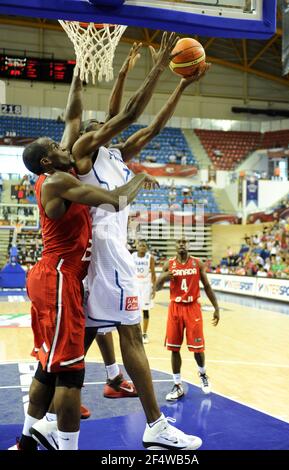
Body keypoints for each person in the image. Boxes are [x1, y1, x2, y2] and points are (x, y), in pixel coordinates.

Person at [28, 33, 207, 451]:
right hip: (107, 260)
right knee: (131, 337)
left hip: (94, 265)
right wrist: (161, 66)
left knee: (68, 357)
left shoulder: (114, 154)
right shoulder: (82, 152)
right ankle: (156, 426)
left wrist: (181, 82)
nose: (98, 125)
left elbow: (151, 123)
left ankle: (38, 426)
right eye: (96, 126)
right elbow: (121, 113)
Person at [12, 138, 158, 451]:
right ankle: (60, 440)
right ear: (47, 162)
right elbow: (116, 200)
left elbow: (72, 122)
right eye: (55, 146)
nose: (64, 145)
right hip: (60, 278)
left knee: (50, 370)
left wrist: (77, 84)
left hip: (56, 278)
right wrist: (139, 177)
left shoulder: (51, 176)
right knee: (70, 374)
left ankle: (26, 442)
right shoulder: (60, 180)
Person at [156, 238, 220, 401]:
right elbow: (156, 287)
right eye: (179, 242)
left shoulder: (197, 264)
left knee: (198, 348)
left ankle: (203, 374)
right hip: (175, 309)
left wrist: (216, 307)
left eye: (185, 242)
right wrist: (164, 276)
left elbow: (206, 286)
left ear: (189, 246)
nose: (182, 244)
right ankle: (177, 385)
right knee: (174, 348)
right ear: (175, 246)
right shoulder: (168, 264)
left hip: (192, 308)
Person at [132, 239, 156, 344]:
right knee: (133, 310)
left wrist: (154, 288)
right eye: (140, 245)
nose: (142, 247)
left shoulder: (150, 258)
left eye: (144, 246)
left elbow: (154, 274)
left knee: (145, 310)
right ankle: (134, 333)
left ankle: (144, 333)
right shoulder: (132, 256)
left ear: (146, 248)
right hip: (135, 284)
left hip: (146, 285)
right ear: (137, 246)